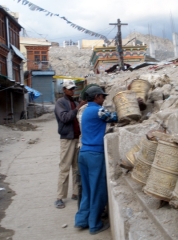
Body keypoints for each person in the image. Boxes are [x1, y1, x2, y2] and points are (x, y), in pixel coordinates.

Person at [74, 86, 118, 235]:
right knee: (98, 189)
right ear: (97, 96)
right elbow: (115, 117)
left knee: (87, 190)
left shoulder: (86, 110)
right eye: (103, 96)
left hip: (84, 153)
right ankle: (94, 224)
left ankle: (82, 220)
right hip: (95, 155)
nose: (104, 99)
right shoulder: (98, 110)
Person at [54, 80, 86, 209]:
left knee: (76, 167)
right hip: (67, 139)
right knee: (65, 167)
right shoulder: (60, 103)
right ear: (64, 90)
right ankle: (59, 197)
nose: (72, 91)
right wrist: (78, 108)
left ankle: (75, 193)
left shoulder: (74, 102)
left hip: (76, 138)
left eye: (73, 89)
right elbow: (65, 118)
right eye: (70, 89)